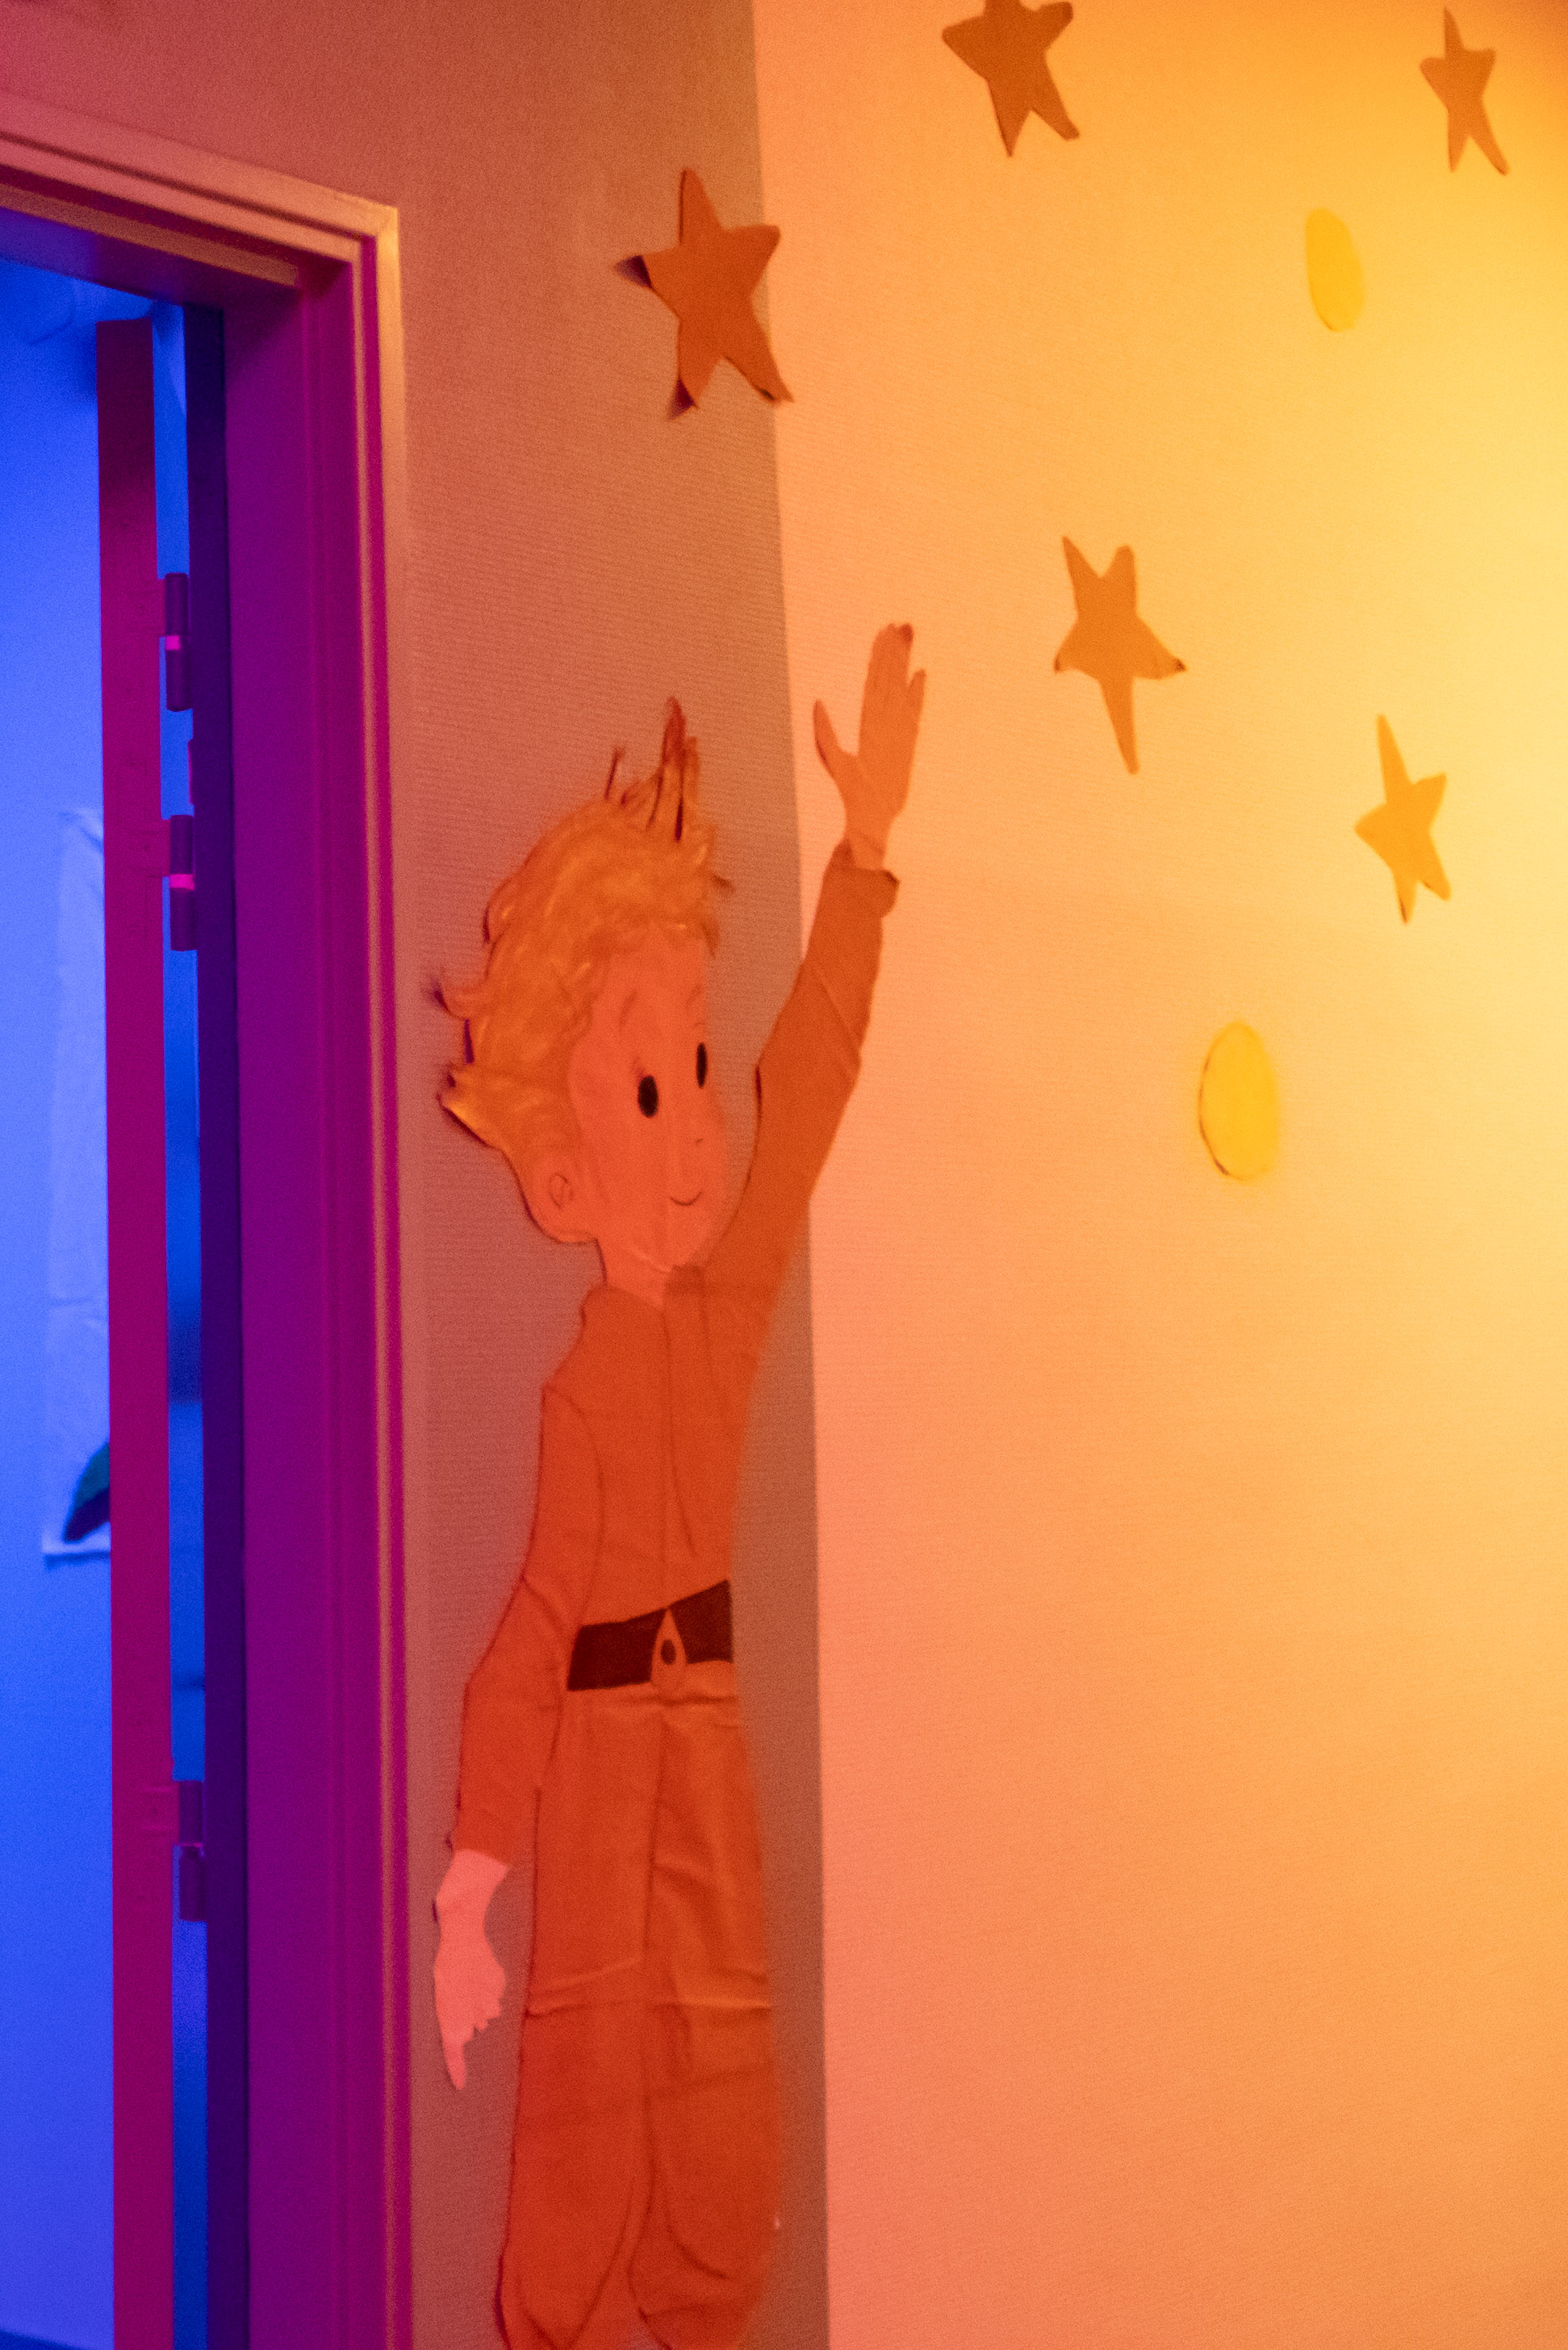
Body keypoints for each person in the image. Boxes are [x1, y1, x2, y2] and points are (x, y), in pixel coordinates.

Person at [431, 625, 922, 2349]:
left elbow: (805, 1099)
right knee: (585, 2073)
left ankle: (703, 2304)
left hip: (698, 1733)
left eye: (692, 1069)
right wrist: (471, 1887)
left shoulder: (721, 1321)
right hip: (592, 1755)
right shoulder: (579, 1393)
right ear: (563, 1174)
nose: (698, 1122)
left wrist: (865, 860)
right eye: (652, 1088)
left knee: (718, 2072)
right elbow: (529, 1631)